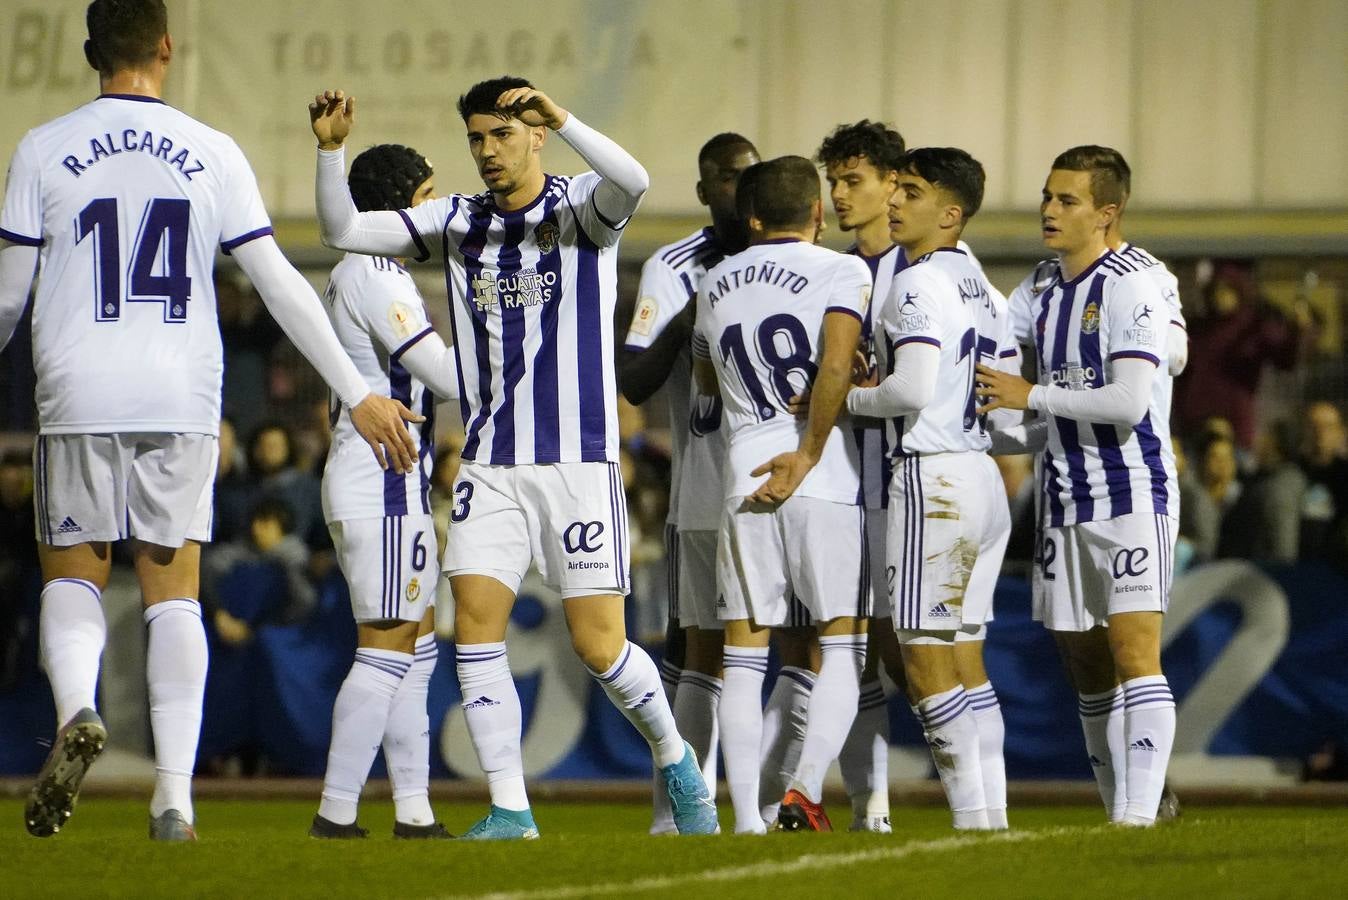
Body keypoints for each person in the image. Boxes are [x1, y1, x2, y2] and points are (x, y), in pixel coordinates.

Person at [0, 0, 418, 843]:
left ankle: (79, 706)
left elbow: (8, 294)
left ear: (90, 53)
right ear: (165, 45)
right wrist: (355, 389)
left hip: (78, 388)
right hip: (181, 396)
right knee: (173, 593)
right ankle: (175, 801)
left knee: (73, 577)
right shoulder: (211, 150)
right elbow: (279, 283)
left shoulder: (41, 147)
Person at [309, 76, 716, 839]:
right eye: (476, 139)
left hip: (579, 463)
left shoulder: (581, 208)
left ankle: (674, 755)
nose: (488, 152)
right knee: (476, 626)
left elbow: (635, 180)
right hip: (490, 463)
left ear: (534, 136)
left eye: (502, 135)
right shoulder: (456, 219)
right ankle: (510, 808)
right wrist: (332, 155)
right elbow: (342, 232)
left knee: (601, 645)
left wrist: (565, 117)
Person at [978, 145, 1180, 828]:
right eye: (1047, 196)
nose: (1049, 210)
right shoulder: (1039, 289)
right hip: (1062, 497)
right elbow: (1017, 398)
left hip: (1132, 493)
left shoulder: (1133, 283)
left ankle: (1137, 818)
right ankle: (1122, 805)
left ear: (1107, 212)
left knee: (1133, 652)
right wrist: (994, 425)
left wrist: (1029, 392)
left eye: (1067, 200)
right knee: (1087, 668)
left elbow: (1126, 403)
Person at [692, 155, 869, 834]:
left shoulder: (713, 283)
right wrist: (808, 452)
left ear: (751, 218)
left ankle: (744, 822)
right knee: (843, 645)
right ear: (818, 214)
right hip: (818, 474)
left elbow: (706, 383)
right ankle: (801, 790)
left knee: (743, 652)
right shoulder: (841, 270)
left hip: (742, 474)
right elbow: (833, 364)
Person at [843, 147, 1013, 831]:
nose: (894, 201)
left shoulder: (914, 284)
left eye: (910, 192)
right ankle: (993, 817)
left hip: (933, 476)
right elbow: (1004, 401)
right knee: (966, 658)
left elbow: (910, 389)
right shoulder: (985, 286)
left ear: (950, 213)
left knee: (921, 659)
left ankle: (974, 823)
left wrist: (842, 399)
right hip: (982, 477)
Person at [310, 144, 465, 840]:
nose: (435, 211)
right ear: (395, 206)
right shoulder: (378, 273)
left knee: (413, 646)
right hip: (385, 482)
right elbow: (443, 374)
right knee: (386, 648)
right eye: (427, 196)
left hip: (370, 474)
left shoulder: (354, 270)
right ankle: (336, 813)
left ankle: (414, 808)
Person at [618, 131, 759, 834]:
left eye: (752, 175)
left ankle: (793, 808)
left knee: (798, 648)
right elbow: (636, 380)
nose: (742, 188)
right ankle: (675, 813)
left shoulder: (801, 262)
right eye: (728, 179)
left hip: (790, 493)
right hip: (705, 493)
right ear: (705, 192)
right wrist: (695, 309)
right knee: (697, 647)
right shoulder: (675, 265)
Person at [815, 118, 910, 833]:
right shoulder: (833, 275)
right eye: (834, 182)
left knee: (924, 661)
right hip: (848, 493)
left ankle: (982, 801)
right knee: (854, 652)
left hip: (919, 492)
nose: (841, 195)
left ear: (893, 185)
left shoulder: (928, 273)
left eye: (855, 181)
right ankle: (868, 807)